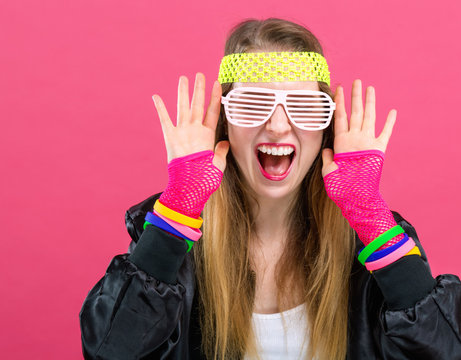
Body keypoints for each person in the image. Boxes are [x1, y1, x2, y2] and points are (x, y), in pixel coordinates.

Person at [79, 18, 461, 359]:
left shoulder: (373, 240)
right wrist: (177, 209)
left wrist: (370, 215)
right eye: (253, 104)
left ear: (326, 127)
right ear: (225, 122)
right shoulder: (173, 240)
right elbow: (111, 352)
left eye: (304, 106)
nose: (278, 126)